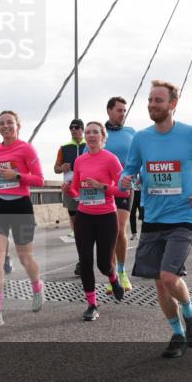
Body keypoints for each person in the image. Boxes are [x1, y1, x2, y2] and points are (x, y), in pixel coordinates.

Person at [120, 80, 192, 359]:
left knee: (168, 276)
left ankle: (191, 311)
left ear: (172, 104)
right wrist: (125, 179)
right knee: (160, 283)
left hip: (183, 216)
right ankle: (177, 333)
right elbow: (129, 169)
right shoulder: (141, 138)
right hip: (153, 216)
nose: (152, 105)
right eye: (150, 100)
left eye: (158, 101)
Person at [0, 110, 45, 328]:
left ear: (18, 126)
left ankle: (37, 286)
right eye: (1, 123)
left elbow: (40, 180)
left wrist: (17, 176)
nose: (5, 126)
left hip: (20, 207)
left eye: (9, 122)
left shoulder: (26, 149)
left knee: (25, 258)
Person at [62, 121, 124, 321]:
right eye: (87, 132)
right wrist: (68, 190)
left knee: (104, 264)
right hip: (84, 216)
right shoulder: (80, 161)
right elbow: (77, 191)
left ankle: (113, 278)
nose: (90, 135)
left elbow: (124, 190)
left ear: (102, 136)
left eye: (95, 132)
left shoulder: (111, 159)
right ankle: (92, 304)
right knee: (86, 261)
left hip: (106, 216)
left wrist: (102, 186)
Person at [103, 96, 137, 294]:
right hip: (103, 190)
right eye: (119, 110)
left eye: (124, 111)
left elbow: (140, 156)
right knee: (109, 233)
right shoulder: (100, 133)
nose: (122, 114)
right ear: (109, 111)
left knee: (118, 229)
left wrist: (138, 175)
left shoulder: (131, 133)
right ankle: (112, 276)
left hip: (125, 186)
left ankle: (122, 272)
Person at [55, 119, 87, 275]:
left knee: (89, 223)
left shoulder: (89, 146)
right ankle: (83, 259)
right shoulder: (64, 148)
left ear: (82, 129)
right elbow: (55, 168)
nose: (73, 130)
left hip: (87, 188)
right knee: (77, 226)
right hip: (69, 188)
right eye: (71, 128)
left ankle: (88, 257)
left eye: (76, 128)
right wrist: (62, 167)